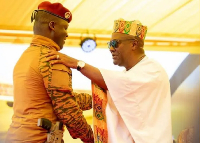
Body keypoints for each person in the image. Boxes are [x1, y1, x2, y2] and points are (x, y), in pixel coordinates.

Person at [44, 18, 173, 143]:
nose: (111, 49)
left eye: (115, 43)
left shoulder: (152, 71)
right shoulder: (130, 75)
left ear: (133, 44)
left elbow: (110, 81)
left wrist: (76, 63)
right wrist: (62, 99)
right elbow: (106, 97)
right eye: (110, 44)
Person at [5, 1, 94, 143]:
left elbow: (56, 99)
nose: (67, 35)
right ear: (52, 26)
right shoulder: (52, 59)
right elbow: (67, 110)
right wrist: (95, 139)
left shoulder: (26, 56)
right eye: (65, 28)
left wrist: (97, 99)